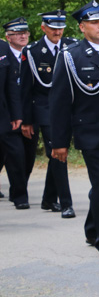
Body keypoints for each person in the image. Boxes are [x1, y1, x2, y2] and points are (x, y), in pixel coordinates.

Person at [50, 1, 99, 259]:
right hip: (91, 132)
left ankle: (93, 227)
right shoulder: (71, 56)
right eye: (95, 22)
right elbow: (60, 102)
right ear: (82, 27)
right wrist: (59, 142)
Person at [20, 10, 75, 217]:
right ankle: (66, 202)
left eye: (60, 27)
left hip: (68, 106)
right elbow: (25, 88)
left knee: (55, 153)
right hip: (45, 107)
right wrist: (26, 119)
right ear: (43, 28)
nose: (57, 32)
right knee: (59, 152)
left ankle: (48, 199)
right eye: (53, 28)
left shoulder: (72, 46)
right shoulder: (33, 51)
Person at [0, 18, 28, 209]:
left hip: (3, 114)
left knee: (17, 154)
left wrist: (16, 114)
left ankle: (19, 196)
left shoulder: (2, 49)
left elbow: (11, 84)